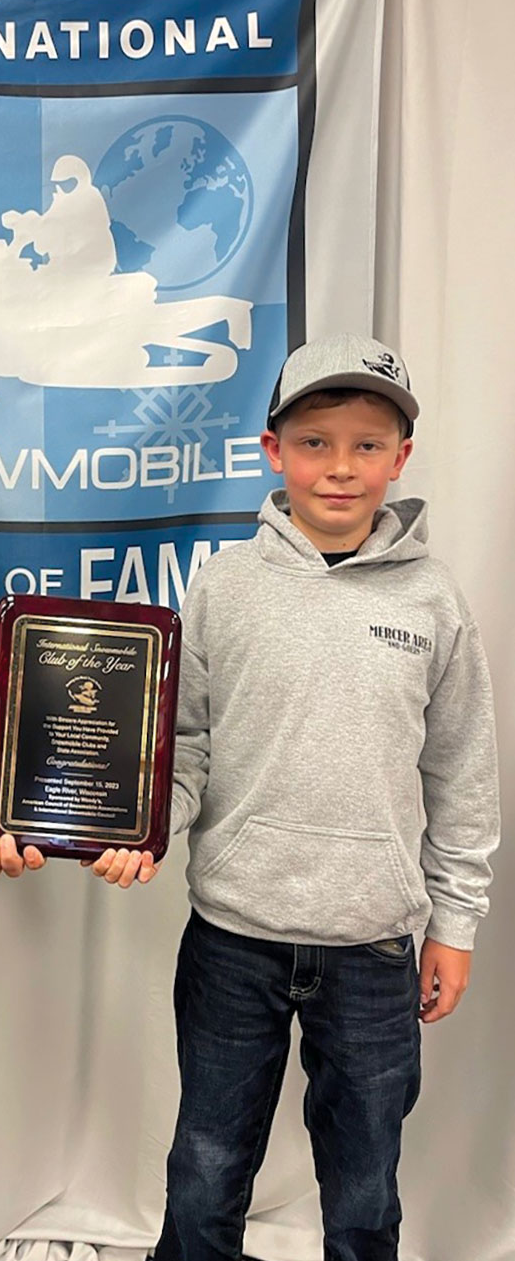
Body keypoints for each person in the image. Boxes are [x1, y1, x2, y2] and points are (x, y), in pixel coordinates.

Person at [151, 334, 500, 1261]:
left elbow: (461, 772)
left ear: (400, 457)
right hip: (232, 938)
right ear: (272, 450)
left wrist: (454, 925)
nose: (339, 467)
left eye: (365, 444)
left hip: (375, 950)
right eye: (314, 441)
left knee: (361, 1182)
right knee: (207, 1163)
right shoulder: (224, 585)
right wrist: (146, 827)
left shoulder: (433, 600)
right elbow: (182, 744)